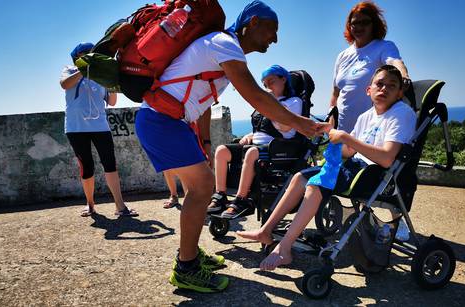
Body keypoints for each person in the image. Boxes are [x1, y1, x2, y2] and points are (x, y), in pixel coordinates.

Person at [134, 1, 321, 292]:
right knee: (202, 188)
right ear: (254, 23)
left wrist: (205, 141)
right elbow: (256, 97)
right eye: (273, 30)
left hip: (170, 121)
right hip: (161, 121)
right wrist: (302, 124)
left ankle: (191, 256)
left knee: (200, 188)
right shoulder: (225, 44)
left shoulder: (221, 48)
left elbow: (203, 102)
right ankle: (186, 267)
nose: (275, 39)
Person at [237, 65, 416, 271]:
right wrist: (330, 133)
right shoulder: (367, 116)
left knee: (315, 185)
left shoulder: (402, 114)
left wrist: (346, 138)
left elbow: (386, 159)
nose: (384, 89)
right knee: (299, 178)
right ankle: (265, 231)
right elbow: (349, 151)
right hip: (356, 168)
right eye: (380, 84)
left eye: (391, 86)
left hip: (376, 175)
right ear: (369, 90)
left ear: (400, 92)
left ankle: (284, 249)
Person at [330, 1, 411, 241]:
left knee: (386, 177)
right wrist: (331, 114)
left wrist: (404, 76)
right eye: (354, 23)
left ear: (374, 24)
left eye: (364, 22)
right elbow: (336, 90)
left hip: (375, 125)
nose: (358, 27)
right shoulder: (343, 55)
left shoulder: (382, 47)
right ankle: (362, 221)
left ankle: (398, 221)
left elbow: (395, 64)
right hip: (347, 127)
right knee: (354, 176)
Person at [207, 64, 303, 219]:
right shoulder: (266, 104)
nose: (268, 87)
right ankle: (220, 195)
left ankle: (241, 200)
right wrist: (250, 135)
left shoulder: (293, 102)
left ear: (283, 79)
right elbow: (262, 127)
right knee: (222, 150)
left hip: (278, 148)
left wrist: (271, 104)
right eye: (265, 85)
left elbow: (285, 127)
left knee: (252, 152)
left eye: (271, 82)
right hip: (257, 146)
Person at [60, 42, 138, 218]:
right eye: (85, 54)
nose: (89, 55)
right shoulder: (69, 70)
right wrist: (84, 70)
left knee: (110, 163)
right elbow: (64, 84)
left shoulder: (99, 77)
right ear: (77, 57)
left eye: (91, 53)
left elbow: (111, 102)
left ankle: (120, 206)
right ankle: (90, 205)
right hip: (76, 128)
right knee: (86, 166)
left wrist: (110, 79)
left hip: (100, 126)